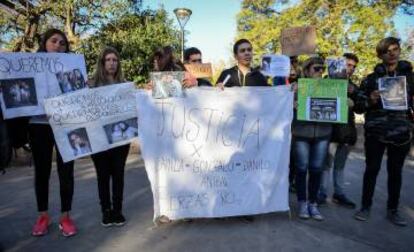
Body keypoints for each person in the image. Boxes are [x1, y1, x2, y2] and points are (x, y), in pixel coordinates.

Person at [354, 37, 413, 226]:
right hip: (375, 132)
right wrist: (370, 99)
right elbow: (358, 108)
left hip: (401, 132)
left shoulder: (410, 78)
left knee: (395, 173)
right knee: (371, 170)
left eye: (395, 49)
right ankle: (365, 206)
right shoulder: (371, 79)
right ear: (380, 55)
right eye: (387, 50)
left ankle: (393, 210)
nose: (392, 53)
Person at [29, 28, 77, 237]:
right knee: (42, 171)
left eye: (62, 43)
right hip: (38, 125)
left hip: (65, 124)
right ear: (44, 43)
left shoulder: (72, 67)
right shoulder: (29, 65)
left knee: (66, 171)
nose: (58, 45)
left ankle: (65, 217)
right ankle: (43, 216)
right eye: (53, 41)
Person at [89, 46, 130, 227]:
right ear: (102, 63)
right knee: (103, 175)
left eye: (115, 60)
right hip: (98, 139)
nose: (112, 63)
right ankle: (106, 211)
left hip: (120, 138)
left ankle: (117, 210)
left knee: (118, 174)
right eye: (108, 60)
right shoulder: (92, 85)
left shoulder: (125, 85)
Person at [318, 53, 365, 208]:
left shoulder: (353, 87)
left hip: (346, 134)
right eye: (347, 64)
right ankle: (321, 193)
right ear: (339, 64)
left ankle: (339, 193)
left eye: (353, 66)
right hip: (329, 132)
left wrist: (354, 100)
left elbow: (361, 108)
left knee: (339, 166)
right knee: (326, 165)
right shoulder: (326, 82)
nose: (350, 68)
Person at [292, 56, 331, 221]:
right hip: (301, 133)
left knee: (316, 170)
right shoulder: (297, 86)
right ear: (307, 70)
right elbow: (282, 104)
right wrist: (292, 100)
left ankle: (313, 203)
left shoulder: (331, 87)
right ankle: (302, 202)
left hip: (323, 133)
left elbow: (341, 105)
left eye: (322, 69)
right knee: (301, 169)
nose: (320, 72)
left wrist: (346, 101)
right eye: (316, 68)